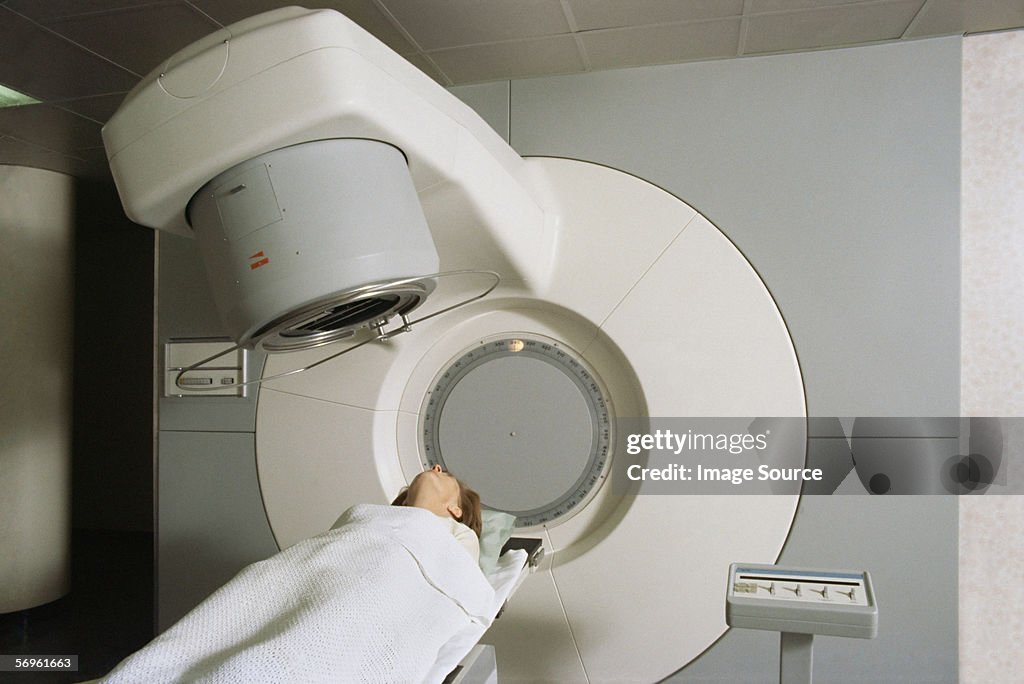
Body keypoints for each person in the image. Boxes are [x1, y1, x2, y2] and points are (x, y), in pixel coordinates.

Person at [392, 464, 482, 563]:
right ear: (405, 503)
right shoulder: (386, 519)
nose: (436, 467)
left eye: (447, 475)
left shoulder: (462, 533)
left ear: (455, 509)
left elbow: (460, 572)